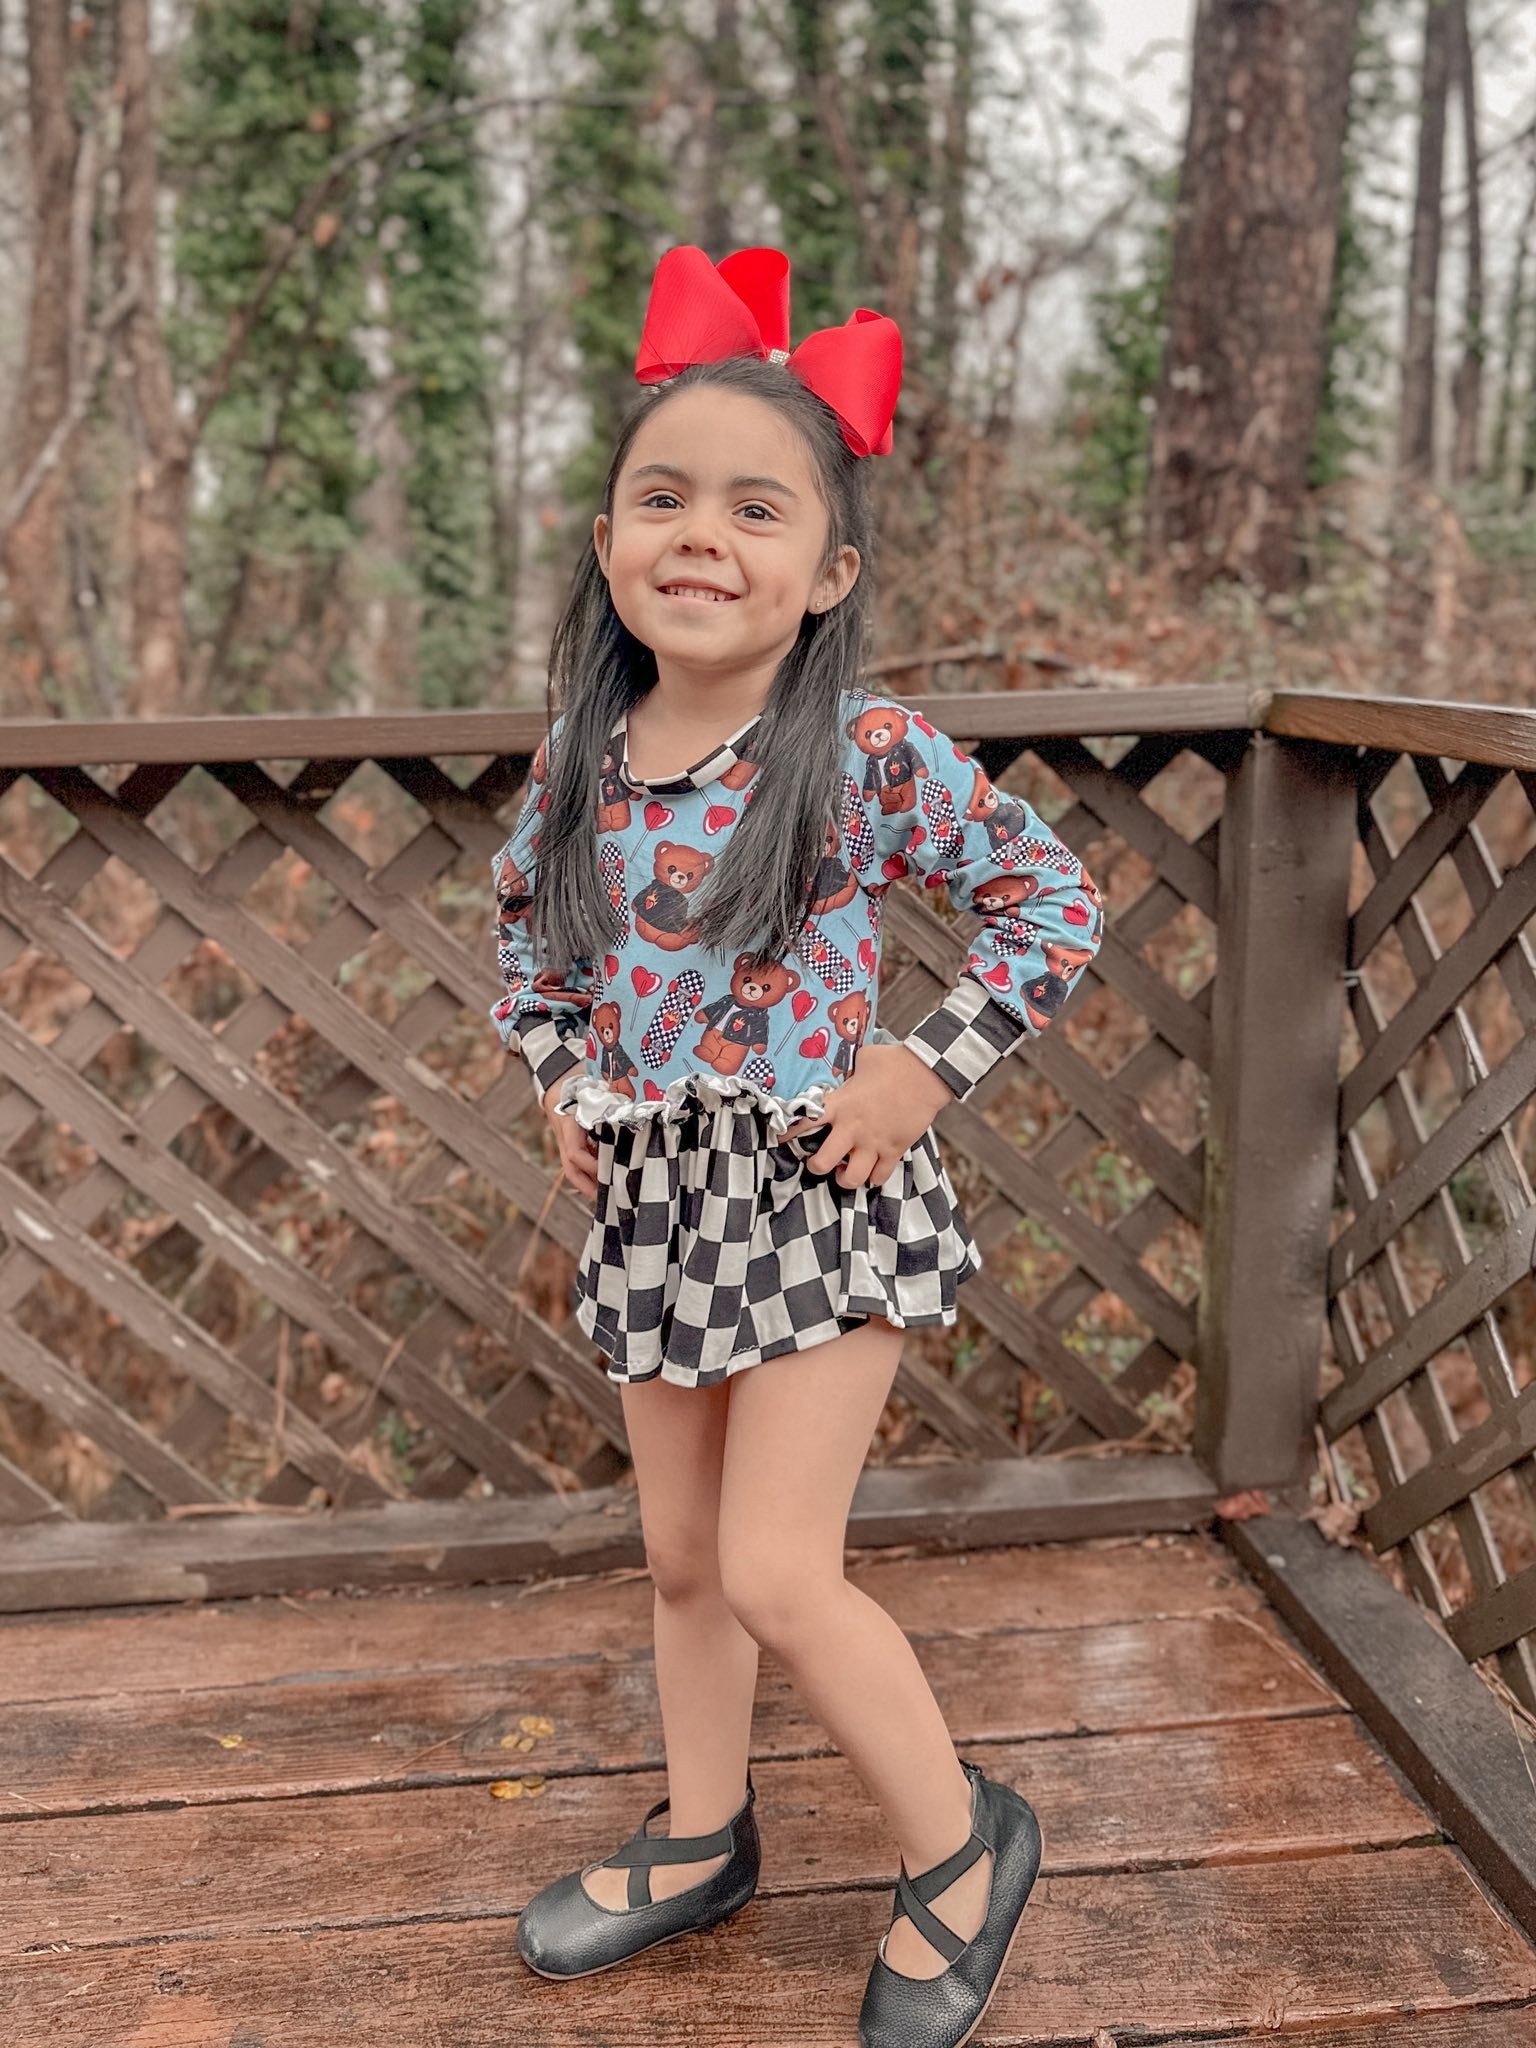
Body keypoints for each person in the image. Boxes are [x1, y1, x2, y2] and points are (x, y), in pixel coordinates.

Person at [489, 244, 1103, 2047]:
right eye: (663, 497)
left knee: (773, 1565)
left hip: (823, 1199)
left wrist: (923, 1068)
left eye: (757, 509)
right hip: (657, 1211)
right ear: (608, 541)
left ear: (830, 571)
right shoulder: (582, 759)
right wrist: (563, 1082)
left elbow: (1051, 905)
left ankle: (963, 1844)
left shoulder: (861, 751)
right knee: (683, 1560)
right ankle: (704, 1835)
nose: (702, 535)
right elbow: (530, 953)